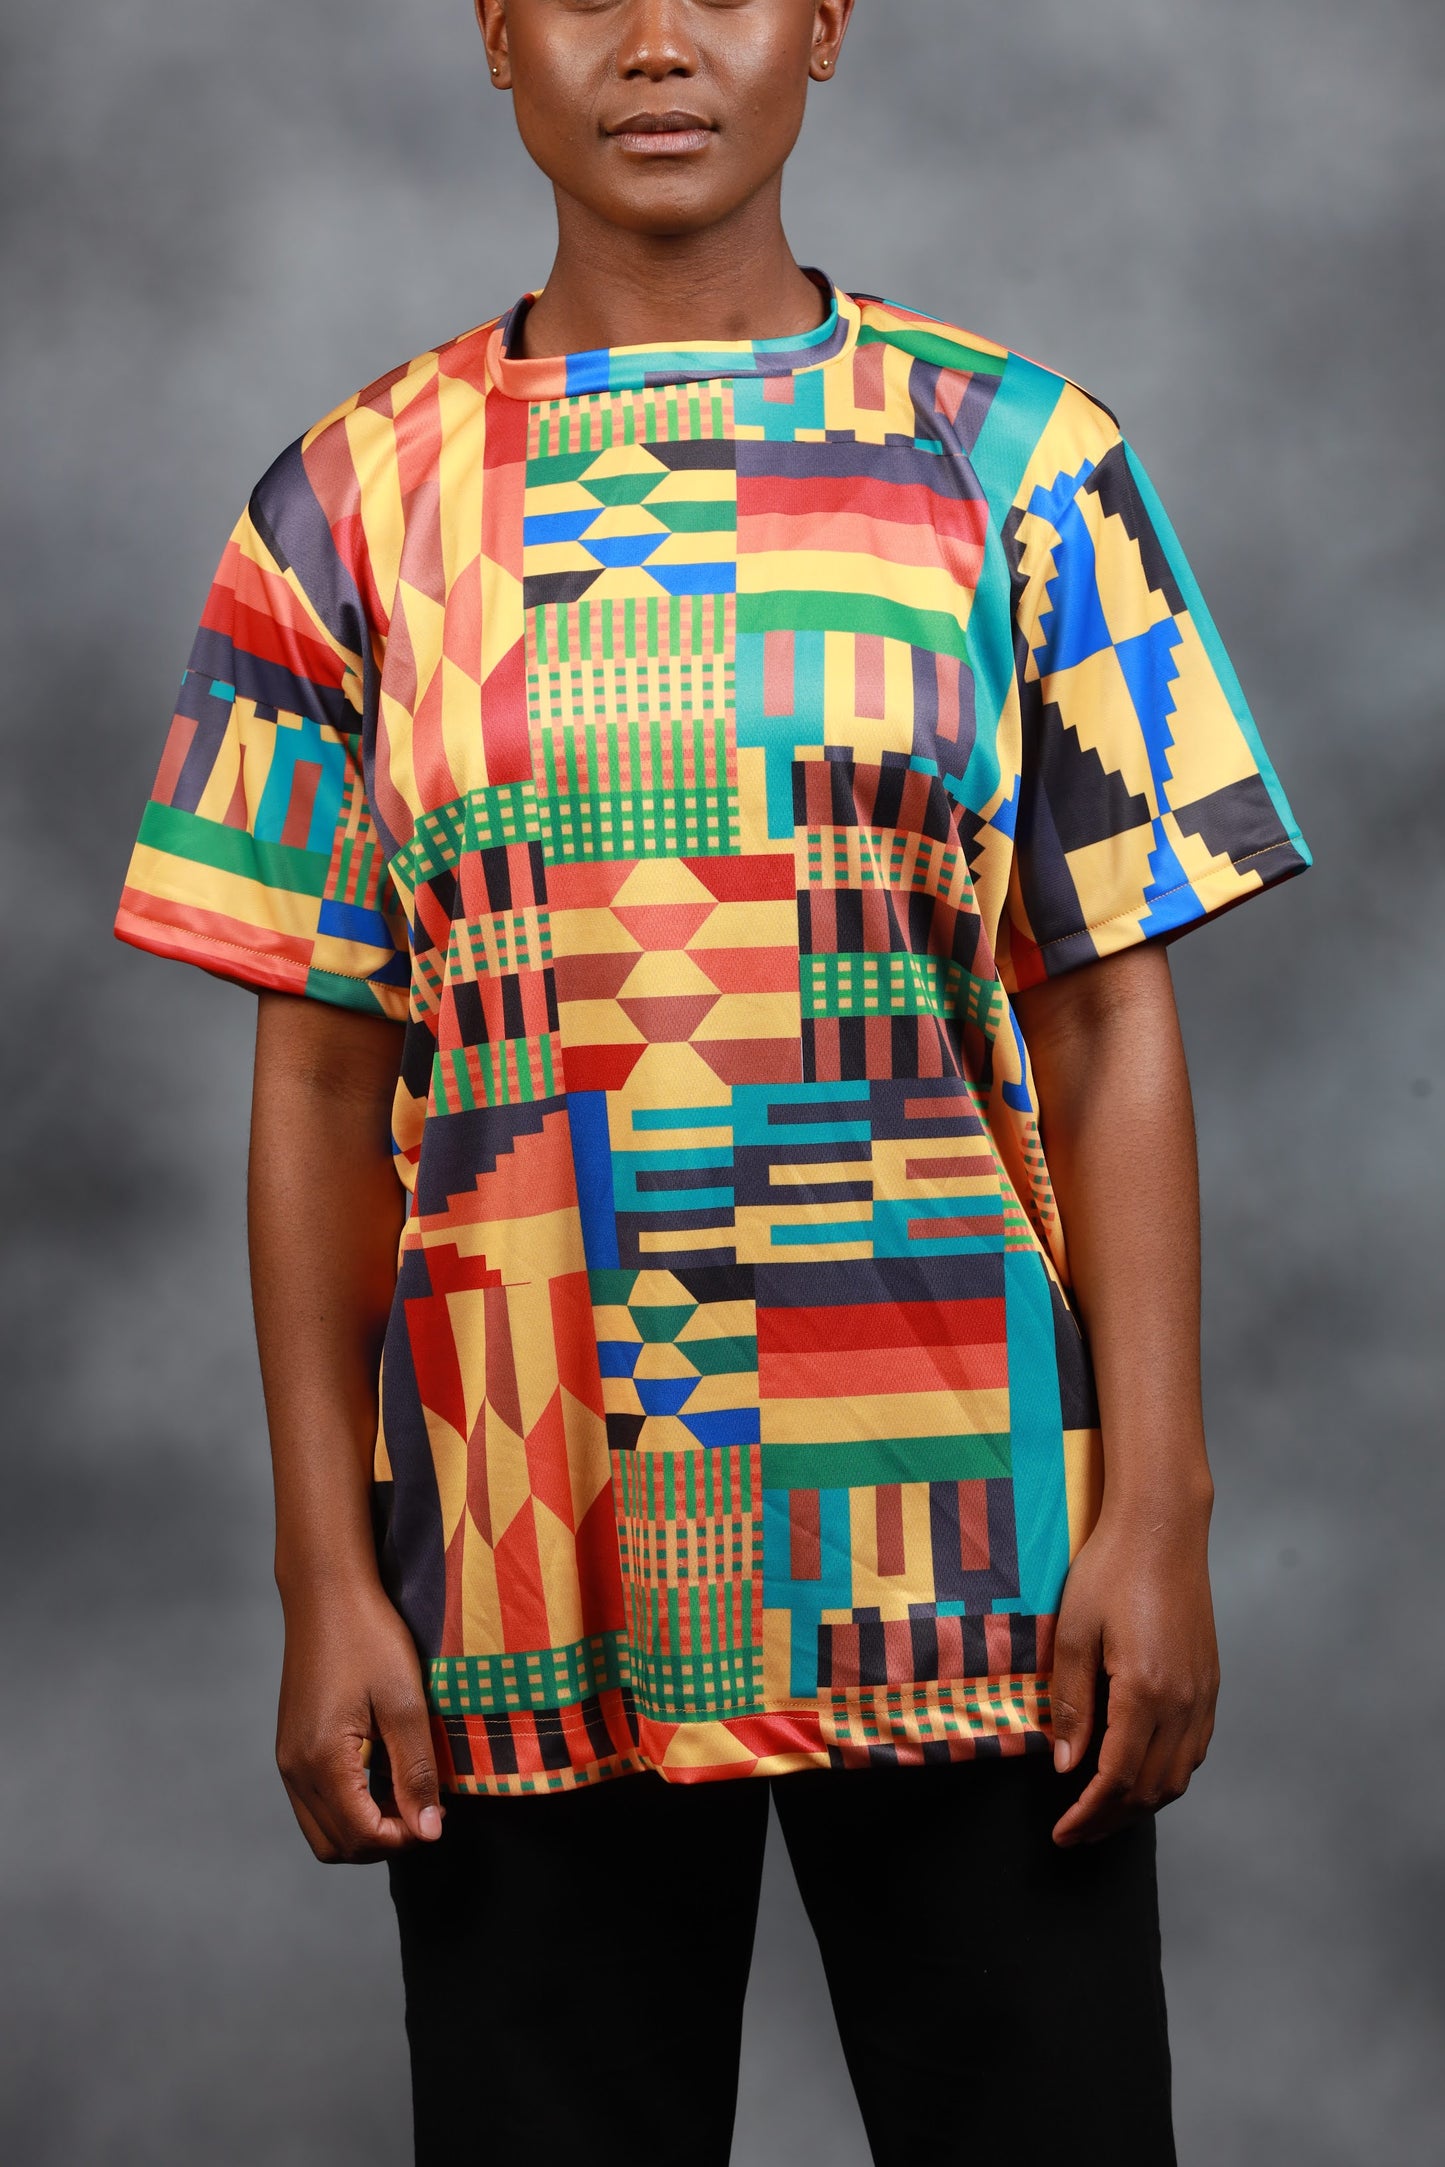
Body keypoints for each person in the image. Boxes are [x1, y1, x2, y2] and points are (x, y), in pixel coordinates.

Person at [114, 2, 1311, 2160]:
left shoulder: (1020, 462)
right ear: (495, 33)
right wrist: (323, 1569)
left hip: (970, 1531)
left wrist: (1159, 1508)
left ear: (825, 24)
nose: (659, 42)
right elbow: (315, 1079)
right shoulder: (345, 509)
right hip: (515, 1535)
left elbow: (1103, 1012)